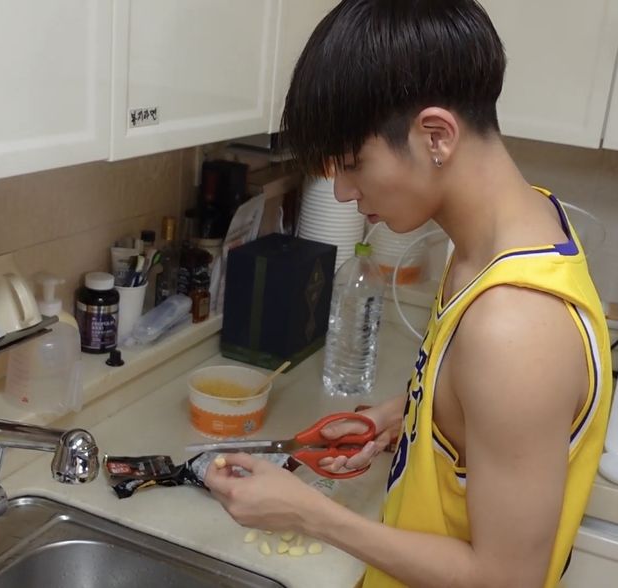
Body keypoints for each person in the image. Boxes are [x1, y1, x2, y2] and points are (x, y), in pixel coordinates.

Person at [203, 1, 613, 586]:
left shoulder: (515, 326)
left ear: (436, 136)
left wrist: (307, 512)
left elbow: (505, 580)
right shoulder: (506, 234)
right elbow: (482, 410)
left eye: (352, 164)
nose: (344, 192)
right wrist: (412, 415)